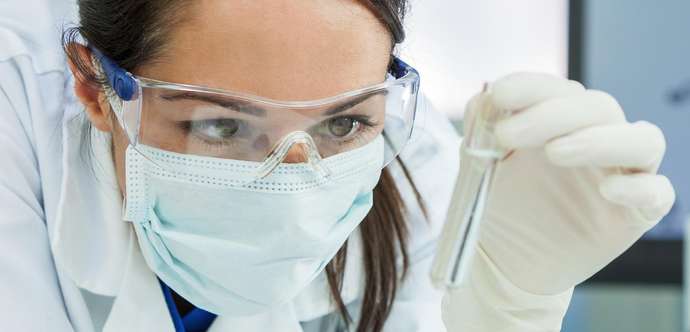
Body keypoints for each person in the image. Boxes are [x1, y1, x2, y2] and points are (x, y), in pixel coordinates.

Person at [0, 0, 675, 331]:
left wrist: (509, 311)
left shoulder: (415, 163)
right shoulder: (14, 110)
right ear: (94, 88)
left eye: (342, 121)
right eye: (222, 124)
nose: (295, 194)